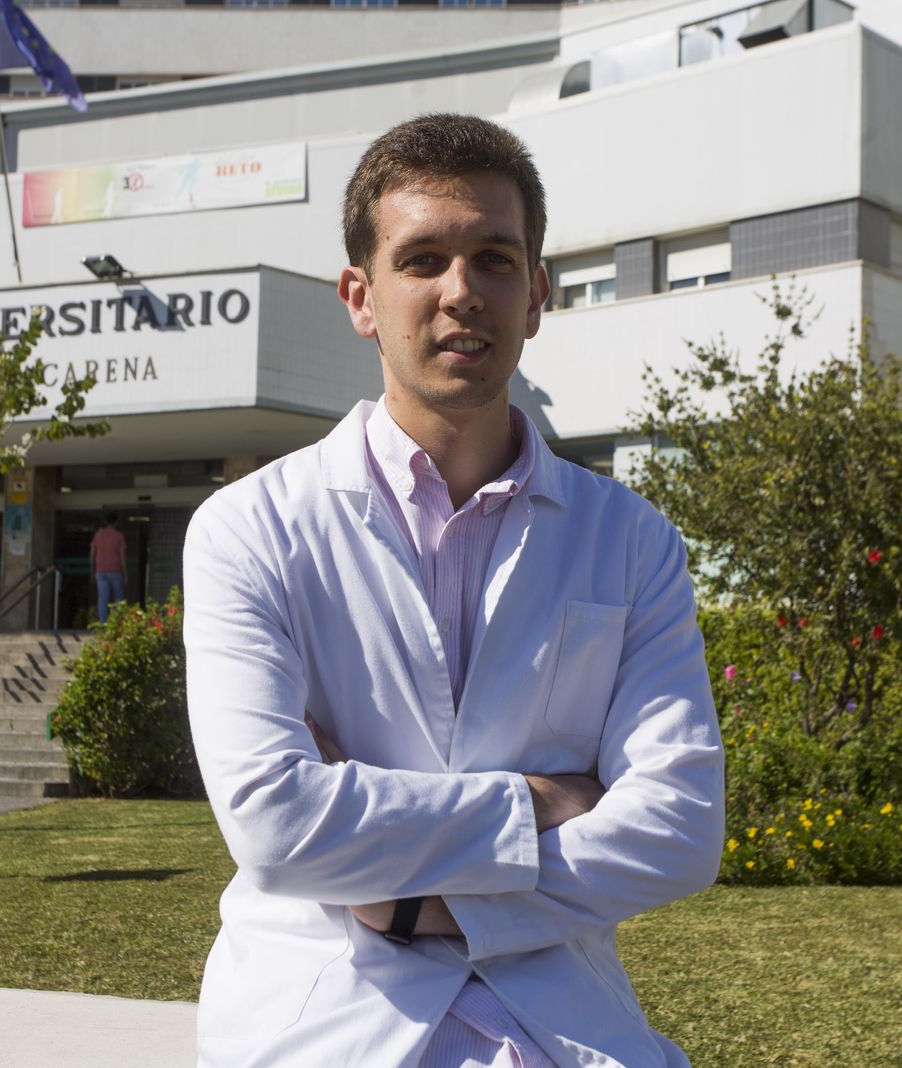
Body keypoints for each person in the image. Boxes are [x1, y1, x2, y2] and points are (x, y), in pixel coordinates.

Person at [183, 114, 724, 1067]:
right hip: (327, 1017)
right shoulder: (250, 530)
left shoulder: (631, 542)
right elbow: (275, 823)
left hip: (563, 1019)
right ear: (360, 295)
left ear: (539, 294)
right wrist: (539, 801)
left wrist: (407, 901)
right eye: (423, 258)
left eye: (495, 259)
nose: (461, 292)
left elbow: (680, 828)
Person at [89, 512, 127, 624]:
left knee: (103, 598)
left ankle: (103, 623)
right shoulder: (119, 536)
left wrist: (92, 571)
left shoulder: (98, 536)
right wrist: (125, 573)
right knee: (118, 599)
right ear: (116, 522)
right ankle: (116, 623)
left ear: (105, 522)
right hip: (116, 570)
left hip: (100, 571)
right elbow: (122, 556)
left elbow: (92, 554)